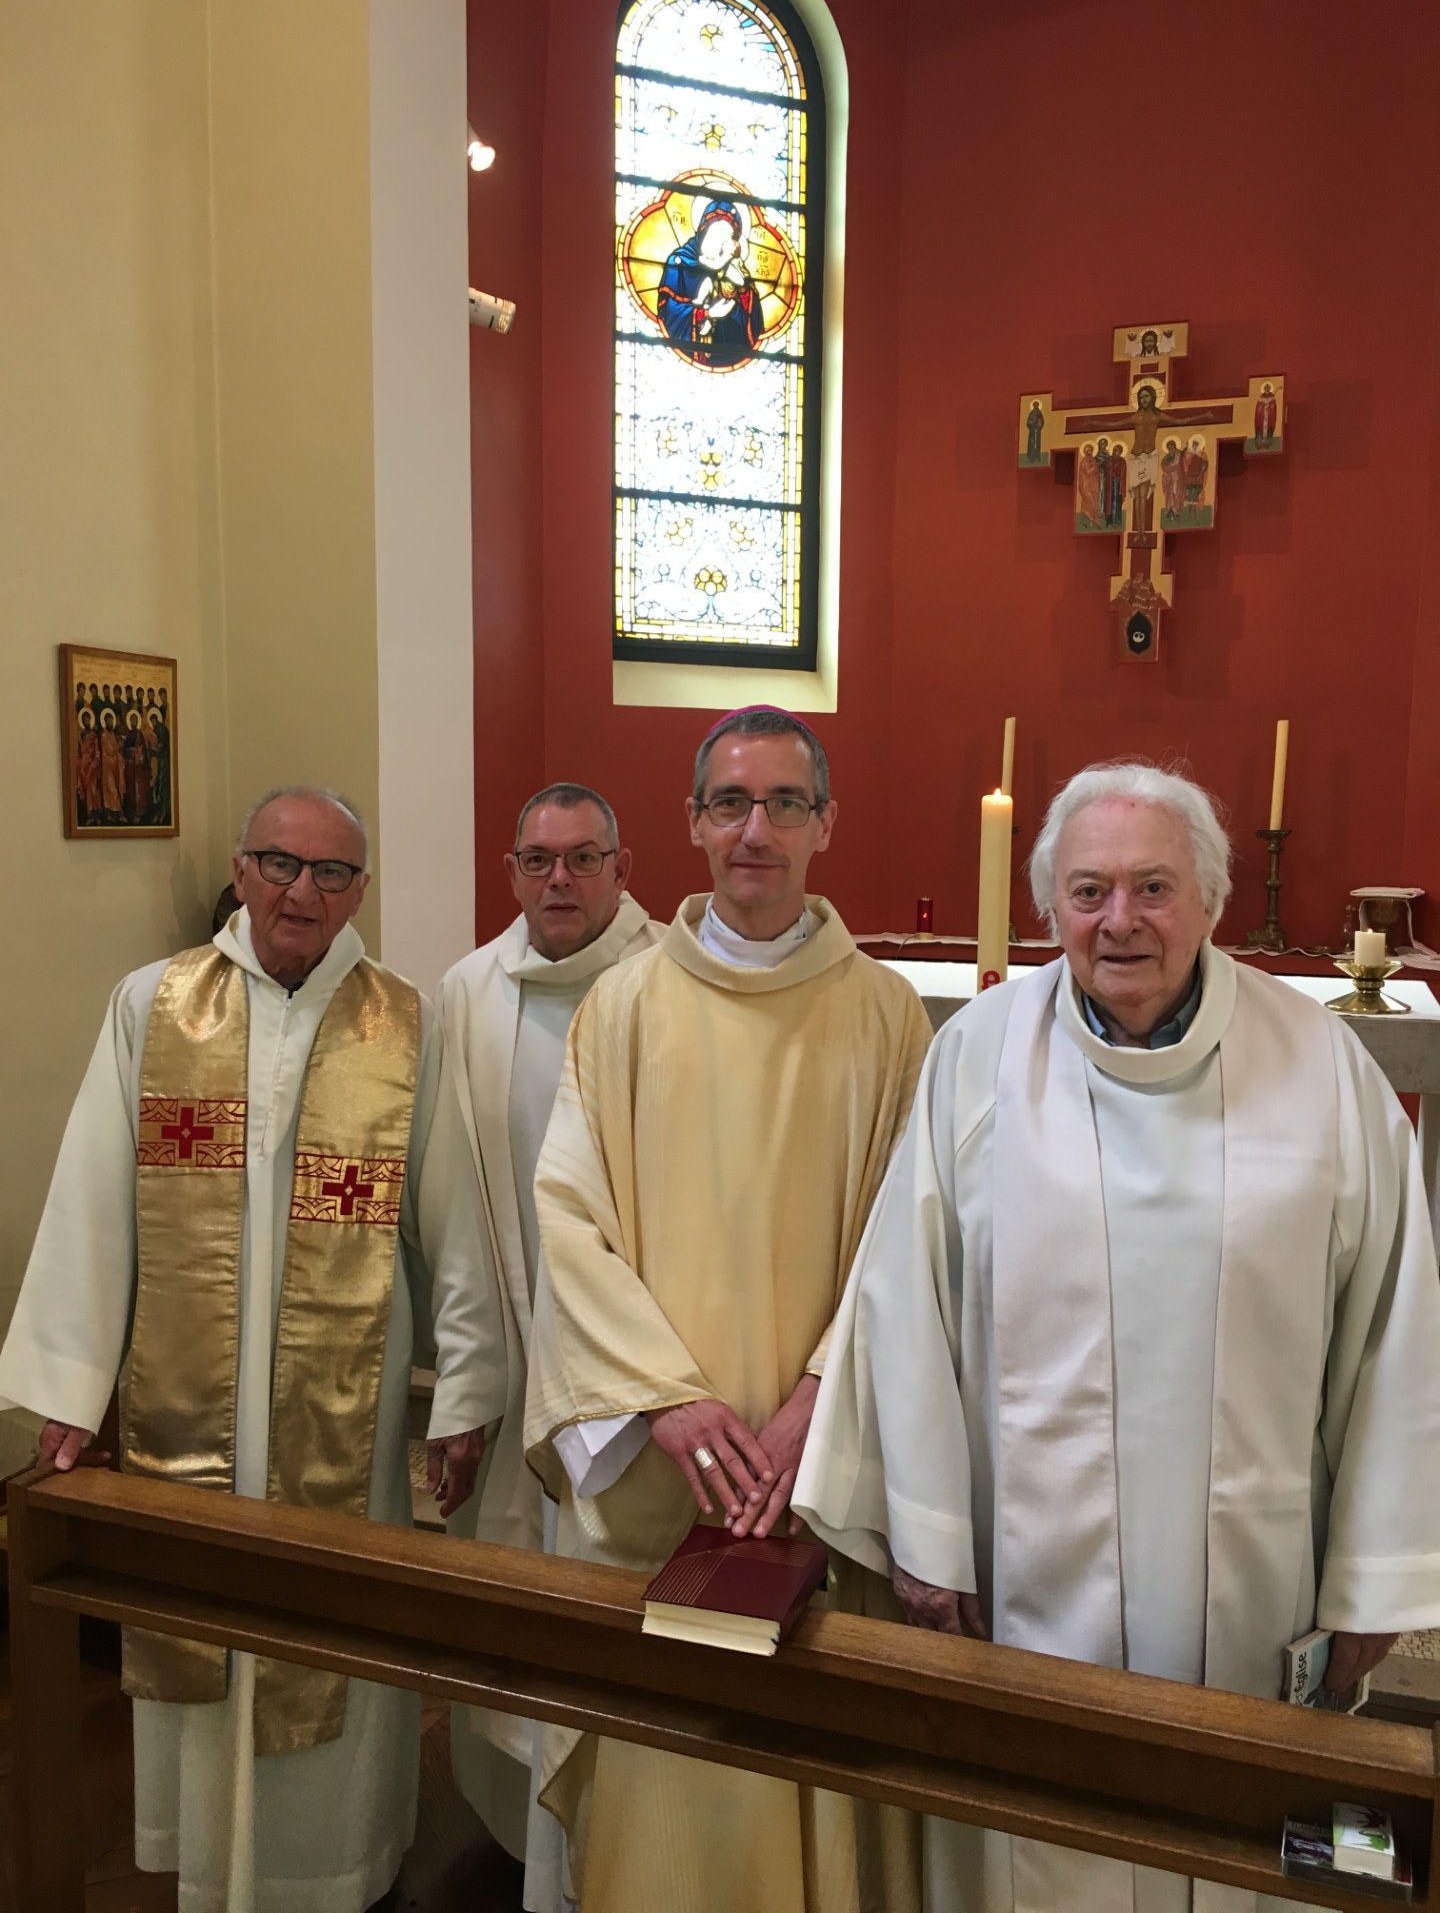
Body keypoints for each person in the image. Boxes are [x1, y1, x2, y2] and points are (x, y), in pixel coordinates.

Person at [794, 760, 1440, 1913]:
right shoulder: (977, 1057)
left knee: (1242, 1841)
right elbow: (905, 1302)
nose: (1120, 921)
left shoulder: (1320, 1065)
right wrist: (933, 1544)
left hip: (1257, 1596)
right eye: (1089, 892)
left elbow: (1397, 1327)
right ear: (1050, 908)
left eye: (1153, 888)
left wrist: (1375, 1577)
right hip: (1021, 1590)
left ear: (1212, 901)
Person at [0, 785, 498, 1913]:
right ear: (241, 869)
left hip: (346, 1422)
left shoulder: (405, 1023)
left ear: (359, 891)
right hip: (185, 1417)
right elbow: (94, 1198)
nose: (300, 893)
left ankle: (339, 1869)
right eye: (280, 864)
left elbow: (454, 1220)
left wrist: (466, 1394)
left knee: (334, 1644)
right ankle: (207, 1867)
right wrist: (72, 1391)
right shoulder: (158, 1003)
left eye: (330, 874)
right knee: (196, 1636)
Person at [524, 705, 932, 1913]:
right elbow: (569, 1221)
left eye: (784, 804)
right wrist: (666, 1402)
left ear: (825, 827)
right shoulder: (624, 1008)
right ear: (693, 825)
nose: (755, 830)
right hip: (670, 1479)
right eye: (730, 804)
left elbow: (909, 1247)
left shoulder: (888, 1018)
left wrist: (819, 1401)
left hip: (818, 1476)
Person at [429, 781, 661, 1909]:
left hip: (636, 1381)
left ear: (624, 866)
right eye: (535, 861)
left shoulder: (672, 982)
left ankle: (622, 1847)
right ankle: (529, 1857)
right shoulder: (469, 993)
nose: (557, 881)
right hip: (524, 1364)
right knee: (519, 1620)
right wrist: (468, 1389)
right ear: (511, 871)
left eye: (580, 858)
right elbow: (458, 1213)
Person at [656, 200, 764, 368]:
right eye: (718, 234)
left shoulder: (733, 268)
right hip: (680, 364)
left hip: (728, 358)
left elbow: (751, 322)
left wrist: (741, 297)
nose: (721, 242)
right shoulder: (679, 262)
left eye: (727, 238)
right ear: (703, 230)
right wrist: (706, 314)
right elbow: (669, 312)